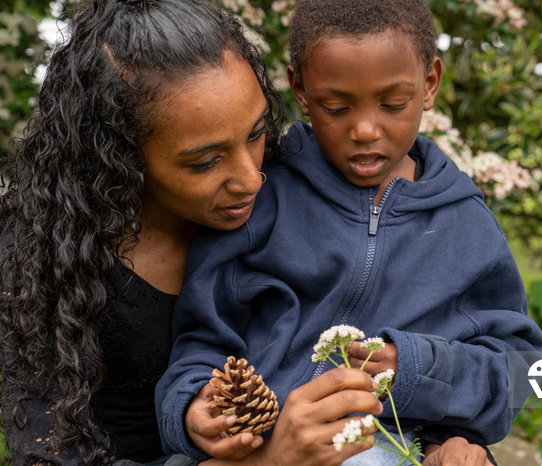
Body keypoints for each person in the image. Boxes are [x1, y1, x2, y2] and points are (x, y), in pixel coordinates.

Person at [0, 0, 394, 464]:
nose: (251, 179)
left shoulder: (293, 191)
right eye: (205, 161)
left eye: (257, 132)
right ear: (117, 155)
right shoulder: (36, 257)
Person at [156, 0, 542, 464]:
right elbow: (201, 342)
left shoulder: (468, 228)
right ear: (300, 89)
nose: (364, 129)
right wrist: (192, 410)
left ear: (429, 84)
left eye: (393, 104)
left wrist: (417, 371)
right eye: (336, 107)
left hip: (383, 446)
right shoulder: (260, 198)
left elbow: (522, 371)